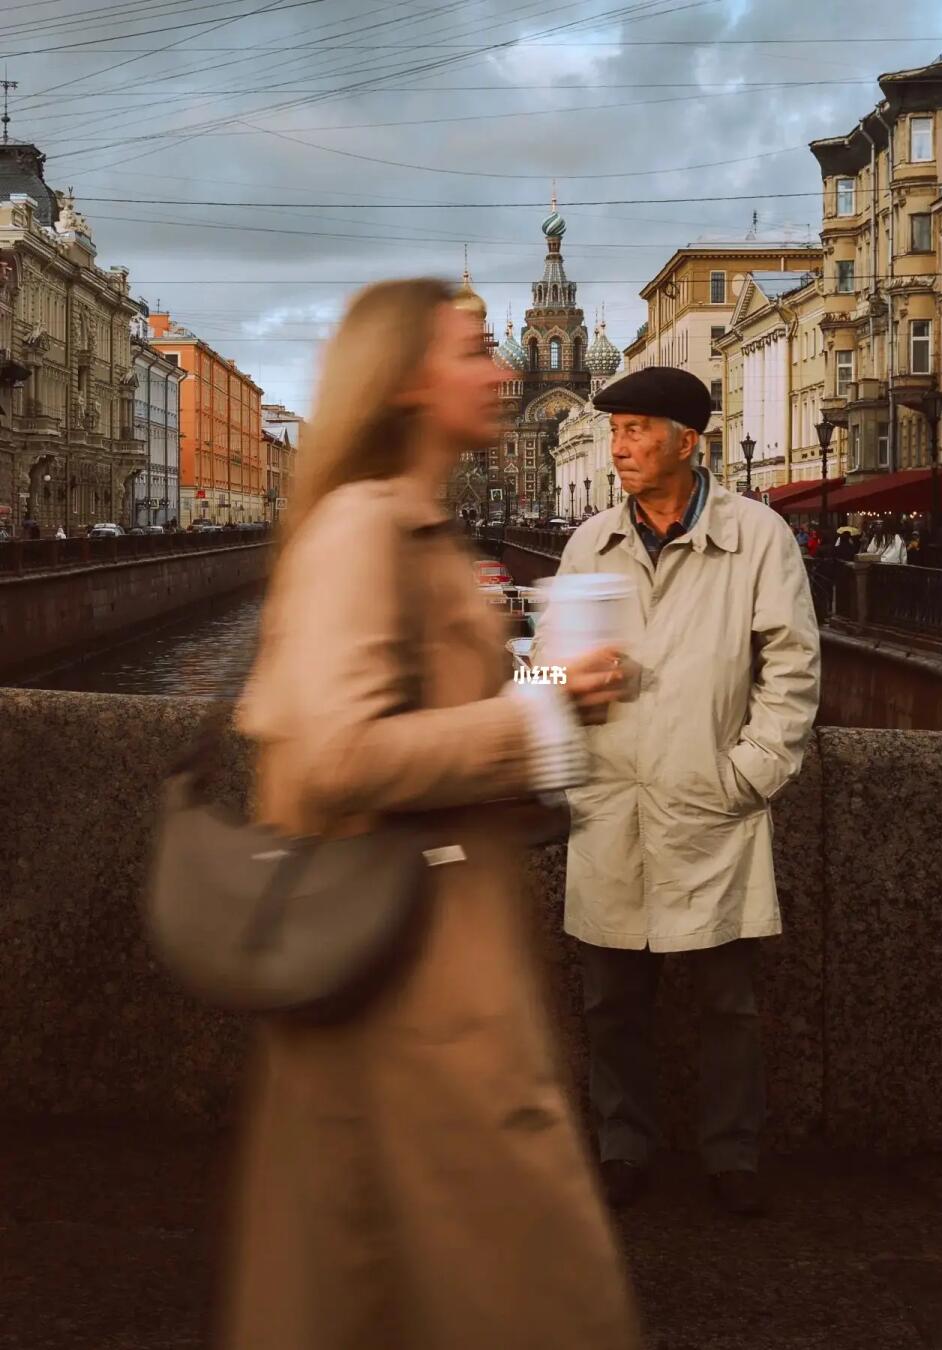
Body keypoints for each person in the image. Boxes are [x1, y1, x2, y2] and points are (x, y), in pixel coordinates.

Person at [222, 279, 642, 1350]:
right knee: (486, 1278)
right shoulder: (360, 530)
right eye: (472, 351)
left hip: (438, 959)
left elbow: (463, 707)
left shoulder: (416, 527)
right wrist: (535, 719)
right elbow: (336, 756)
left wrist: (553, 684)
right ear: (408, 381)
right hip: (399, 972)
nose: (503, 371)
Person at [539, 366, 820, 1219]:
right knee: (611, 1001)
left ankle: (732, 1154)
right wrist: (559, 680)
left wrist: (750, 774)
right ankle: (623, 1145)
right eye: (614, 430)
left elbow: (792, 668)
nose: (617, 448)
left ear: (687, 442)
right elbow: (541, 671)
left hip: (709, 803)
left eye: (635, 431)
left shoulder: (757, 537)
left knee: (728, 1002)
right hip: (610, 804)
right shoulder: (589, 544)